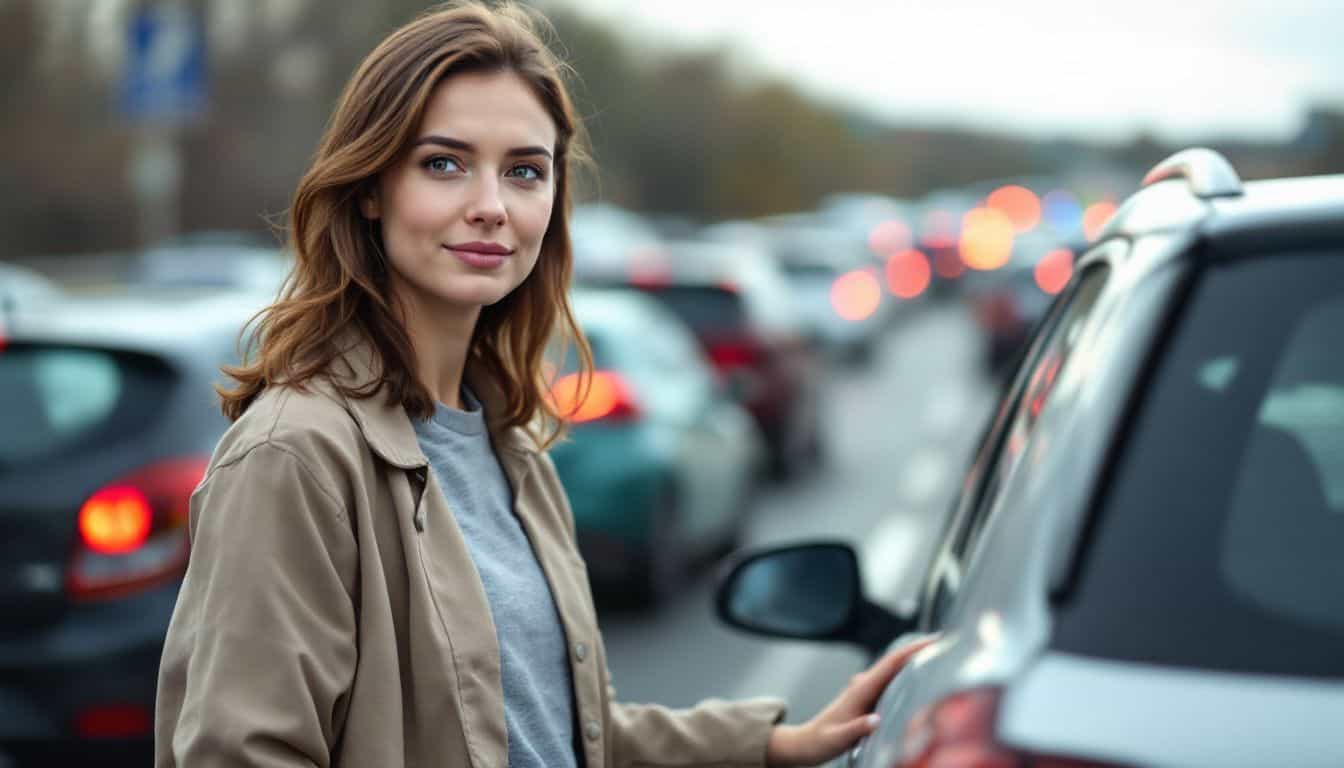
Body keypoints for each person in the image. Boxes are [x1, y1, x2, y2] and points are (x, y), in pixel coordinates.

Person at [154, 3, 932, 767]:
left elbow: (558, 729)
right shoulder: (295, 455)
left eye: (524, 171)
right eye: (444, 164)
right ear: (369, 187)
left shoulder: (510, 442)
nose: (491, 207)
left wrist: (769, 744)